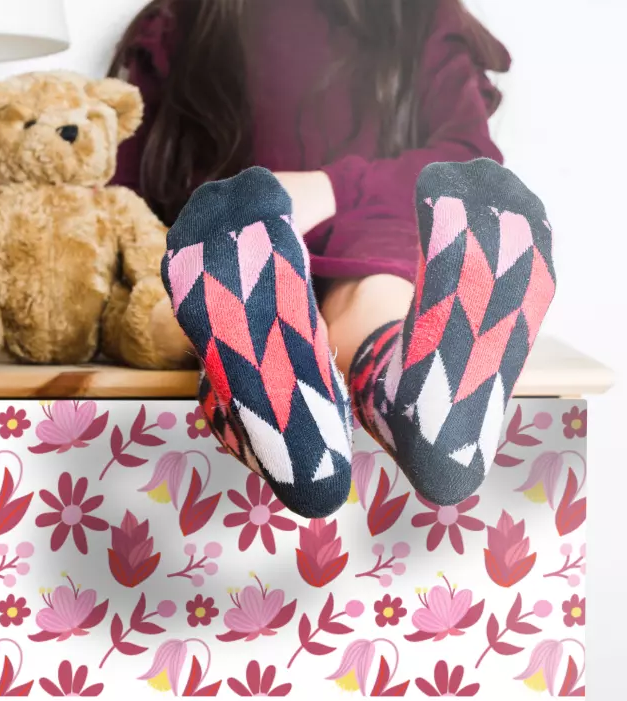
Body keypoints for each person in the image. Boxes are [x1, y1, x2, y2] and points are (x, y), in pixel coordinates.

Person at [109, 0, 556, 518]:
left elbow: (462, 160)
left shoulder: (418, 15)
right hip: (241, 251)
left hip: (320, 243)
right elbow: (123, 196)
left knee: (210, 305)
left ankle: (293, 427)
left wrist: (327, 189)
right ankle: (409, 406)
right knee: (364, 299)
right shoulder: (180, 23)